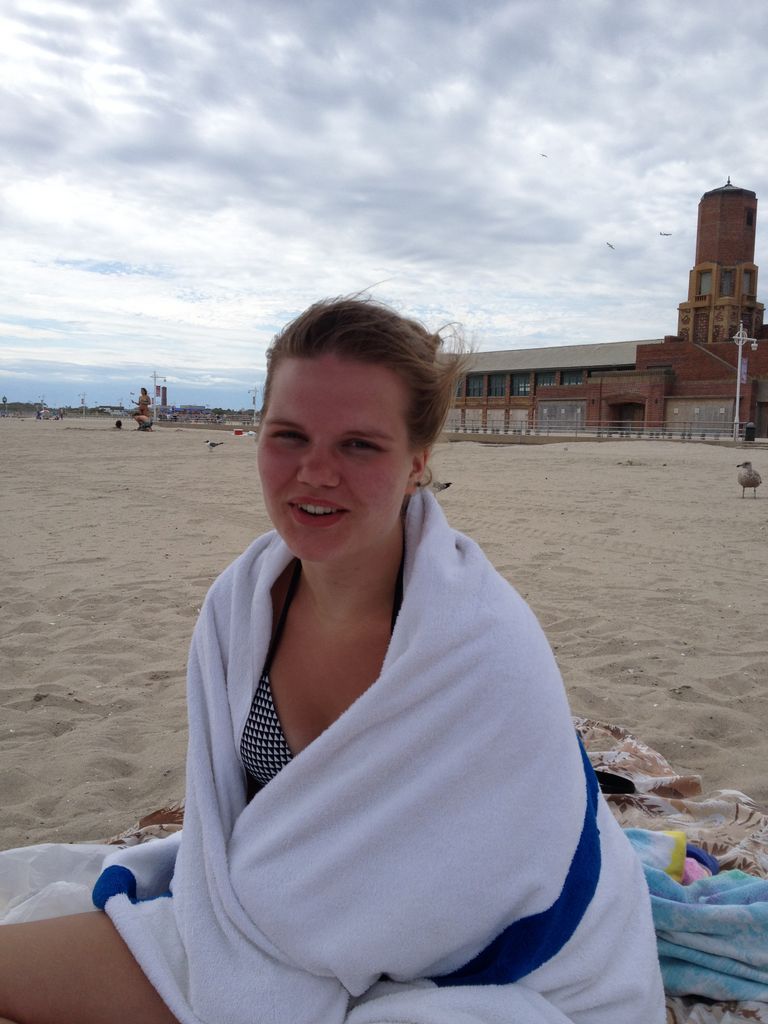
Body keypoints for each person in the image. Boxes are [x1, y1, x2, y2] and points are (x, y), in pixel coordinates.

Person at [0, 296, 666, 1024]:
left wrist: (295, 922)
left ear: (418, 463)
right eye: (289, 435)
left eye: (358, 445)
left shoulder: (481, 650)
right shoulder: (240, 607)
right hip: (249, 934)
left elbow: (489, 880)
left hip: (495, 970)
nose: (315, 472)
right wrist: (256, 916)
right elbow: (229, 825)